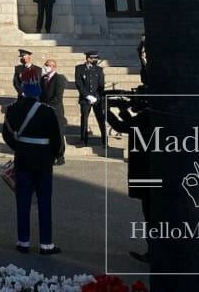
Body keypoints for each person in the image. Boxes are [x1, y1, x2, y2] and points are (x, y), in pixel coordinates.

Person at [3, 67, 63, 255]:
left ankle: (23, 242)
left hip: (23, 159)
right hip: (44, 160)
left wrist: (19, 147)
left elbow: (7, 135)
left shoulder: (13, 109)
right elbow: (56, 139)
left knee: (23, 201)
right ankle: (46, 244)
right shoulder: (47, 111)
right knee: (44, 202)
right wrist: (54, 155)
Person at [106, 88, 152, 263]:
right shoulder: (151, 115)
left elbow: (121, 127)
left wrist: (105, 111)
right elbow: (132, 124)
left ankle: (153, 252)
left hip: (147, 172)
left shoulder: (146, 116)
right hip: (151, 171)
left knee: (150, 214)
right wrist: (123, 110)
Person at [75, 51, 107, 147]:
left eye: (97, 58)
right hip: (85, 98)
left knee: (101, 119)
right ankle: (83, 140)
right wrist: (87, 95)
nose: (96, 60)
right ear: (88, 58)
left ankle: (104, 141)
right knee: (84, 118)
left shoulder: (99, 69)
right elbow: (79, 84)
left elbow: (101, 85)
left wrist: (96, 97)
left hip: (97, 99)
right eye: (94, 58)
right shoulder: (79, 68)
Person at [40, 59, 67, 165]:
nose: (46, 67)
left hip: (56, 111)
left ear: (54, 67)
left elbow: (58, 97)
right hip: (45, 111)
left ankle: (60, 156)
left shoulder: (59, 79)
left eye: (49, 65)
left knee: (58, 134)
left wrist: (46, 105)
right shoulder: (43, 79)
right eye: (45, 65)